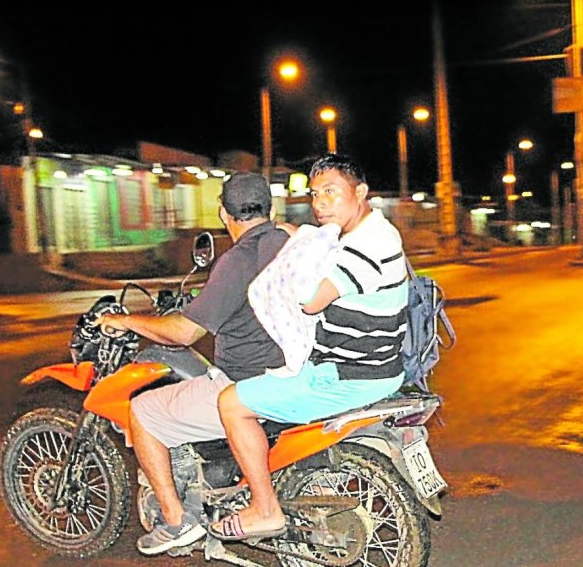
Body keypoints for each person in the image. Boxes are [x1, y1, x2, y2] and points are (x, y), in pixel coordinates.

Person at [211, 153, 408, 541]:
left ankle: (264, 509)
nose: (319, 203)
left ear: (361, 192)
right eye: (315, 194)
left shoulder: (367, 245)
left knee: (231, 403)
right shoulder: (370, 231)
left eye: (331, 192)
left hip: (349, 376)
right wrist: (301, 235)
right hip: (375, 365)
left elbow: (310, 300)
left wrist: (294, 256)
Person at [97, 171, 288, 555]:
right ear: (270, 208)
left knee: (143, 409)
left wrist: (128, 320)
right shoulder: (285, 242)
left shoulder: (238, 260)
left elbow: (183, 333)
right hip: (288, 370)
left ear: (223, 213)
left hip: (246, 380)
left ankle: (175, 521)